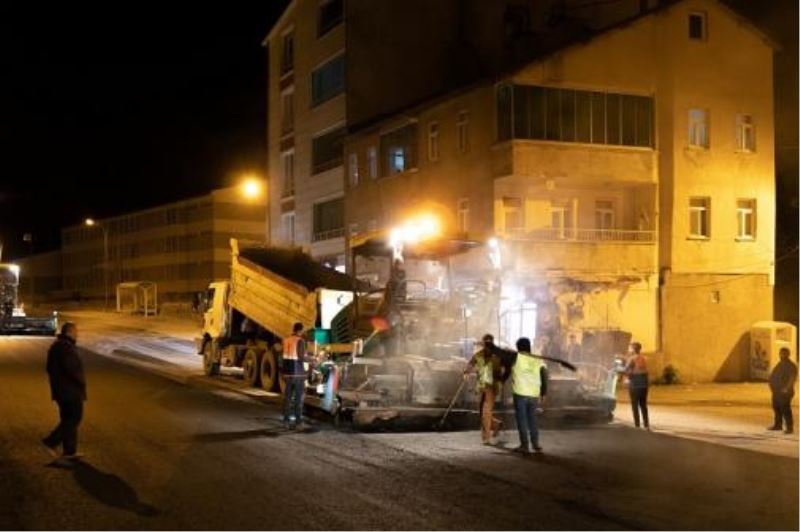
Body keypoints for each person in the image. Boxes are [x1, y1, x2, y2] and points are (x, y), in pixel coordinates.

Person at [42, 322, 86, 460]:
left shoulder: (57, 346)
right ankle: (50, 441)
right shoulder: (65, 347)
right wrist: (80, 382)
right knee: (74, 418)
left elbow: (49, 368)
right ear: (69, 332)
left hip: (61, 390)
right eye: (75, 331)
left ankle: (69, 451)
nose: (77, 334)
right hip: (70, 391)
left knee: (68, 419)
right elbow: (72, 369)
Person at [507, 337, 548, 454]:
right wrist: (544, 392)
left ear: (518, 347)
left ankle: (524, 445)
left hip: (520, 393)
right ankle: (536, 444)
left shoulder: (516, 357)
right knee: (533, 420)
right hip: (534, 394)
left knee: (522, 420)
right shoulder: (537, 359)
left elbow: (505, 363)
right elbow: (544, 374)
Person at [463, 334, 506, 445]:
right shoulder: (478, 355)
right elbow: (470, 363)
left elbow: (506, 368)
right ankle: (496, 424)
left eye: (489, 342)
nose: (487, 345)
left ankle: (486, 437)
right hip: (481, 386)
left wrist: (501, 379)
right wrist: (466, 372)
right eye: (485, 342)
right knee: (482, 412)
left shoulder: (498, 355)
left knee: (486, 412)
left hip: (492, 387)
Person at [281, 322, 312, 429]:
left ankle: (286, 421)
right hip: (298, 374)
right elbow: (301, 357)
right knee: (299, 399)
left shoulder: (286, 340)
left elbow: (284, 357)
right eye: (303, 331)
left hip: (288, 373)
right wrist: (313, 360)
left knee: (288, 398)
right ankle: (298, 423)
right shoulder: (300, 341)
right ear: (300, 330)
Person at [768, 347, 797, 434]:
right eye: (781, 353)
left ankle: (789, 427)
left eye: (784, 353)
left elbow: (792, 378)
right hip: (776, 391)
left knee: (785, 409)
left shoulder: (791, 365)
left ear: (788, 354)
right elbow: (774, 375)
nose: (781, 354)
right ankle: (778, 424)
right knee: (776, 408)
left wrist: (787, 388)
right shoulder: (780, 364)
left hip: (784, 391)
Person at [626, 342, 649, 430]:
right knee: (643, 405)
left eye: (630, 348)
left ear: (633, 349)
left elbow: (626, 369)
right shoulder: (644, 358)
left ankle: (637, 425)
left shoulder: (632, 359)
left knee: (634, 405)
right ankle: (646, 425)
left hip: (635, 385)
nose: (629, 349)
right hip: (644, 385)